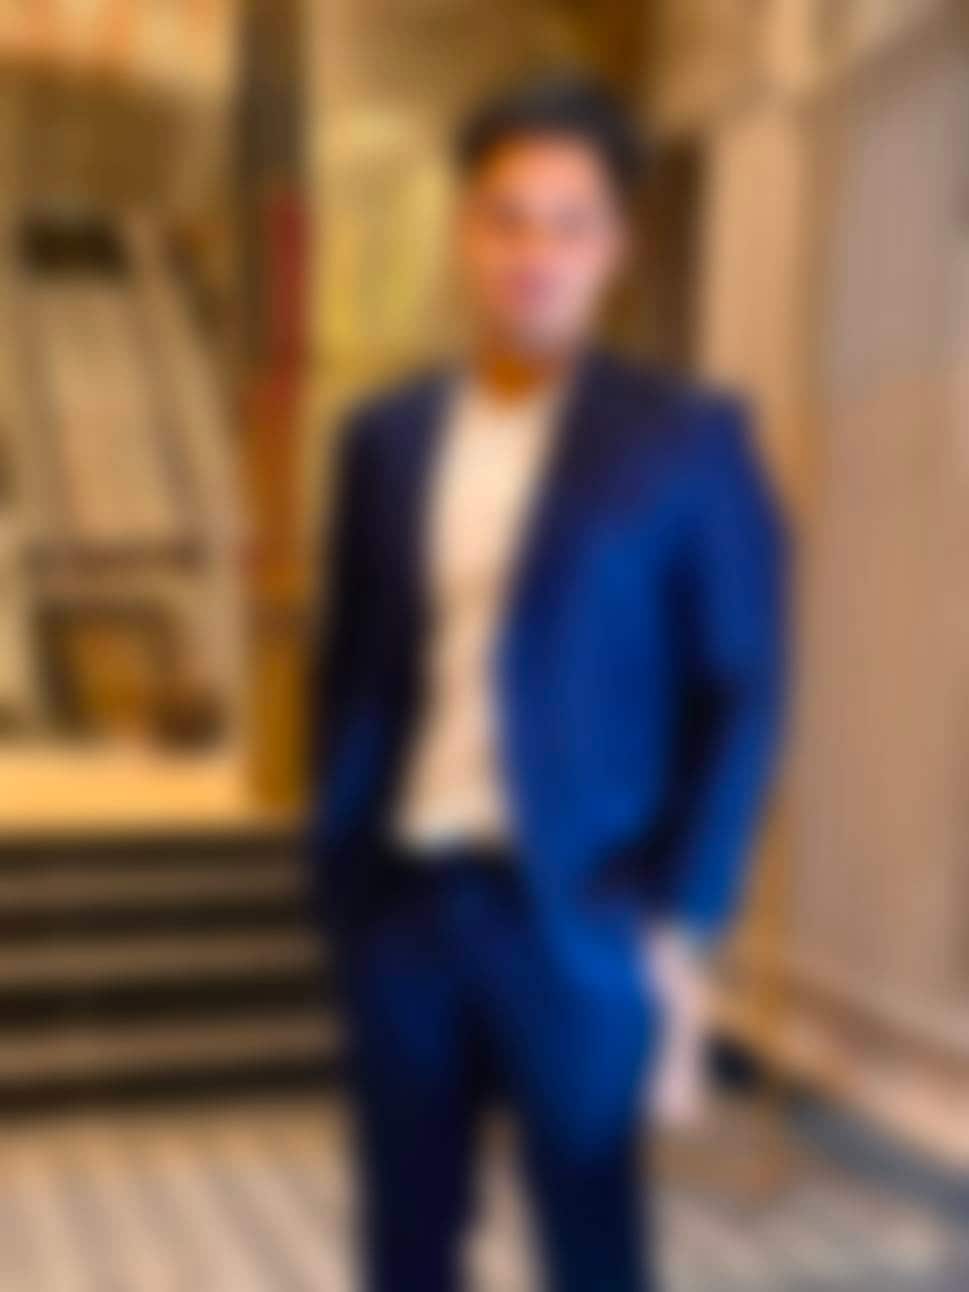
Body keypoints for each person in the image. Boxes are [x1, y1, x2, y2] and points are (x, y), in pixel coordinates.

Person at [310, 74, 786, 1292]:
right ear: (464, 230)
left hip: (578, 914)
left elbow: (741, 689)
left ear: (615, 248)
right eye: (507, 218)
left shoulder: (686, 439)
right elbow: (354, 667)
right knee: (405, 1243)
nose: (535, 252)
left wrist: (680, 918)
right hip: (408, 906)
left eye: (570, 224)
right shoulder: (385, 439)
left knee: (592, 1242)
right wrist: (340, 872)